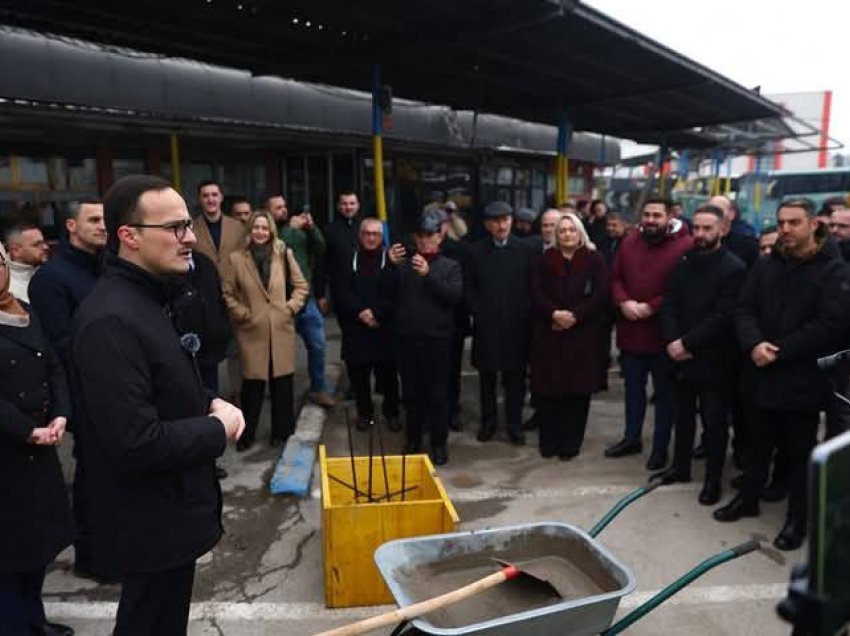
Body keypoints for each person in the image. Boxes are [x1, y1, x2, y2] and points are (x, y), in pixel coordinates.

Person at [70, 175, 246, 634]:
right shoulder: (111, 319)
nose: (189, 237)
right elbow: (135, 441)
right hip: (149, 525)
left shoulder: (150, 299)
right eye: (174, 228)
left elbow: (162, 385)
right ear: (128, 237)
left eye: (188, 224)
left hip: (170, 518)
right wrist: (217, 429)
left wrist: (209, 401)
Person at [714, 198, 850, 551]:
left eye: (794, 223)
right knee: (755, 446)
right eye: (781, 222)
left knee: (798, 454)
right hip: (759, 374)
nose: (785, 230)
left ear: (813, 225)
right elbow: (743, 309)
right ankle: (748, 499)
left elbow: (831, 325)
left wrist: (780, 350)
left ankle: (797, 520)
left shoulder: (833, 270)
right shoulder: (765, 265)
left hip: (801, 380)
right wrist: (754, 344)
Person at [28, 199, 107, 581]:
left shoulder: (104, 267)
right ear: (71, 226)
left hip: (113, 391)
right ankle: (93, 557)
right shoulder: (52, 278)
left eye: (106, 219)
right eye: (94, 220)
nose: (102, 226)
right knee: (94, 481)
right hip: (84, 396)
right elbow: (60, 346)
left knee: (115, 479)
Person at [0, 248, 75, 636]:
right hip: (9, 450)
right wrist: (26, 431)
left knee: (38, 542)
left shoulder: (25, 307)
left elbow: (53, 364)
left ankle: (35, 618)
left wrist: (61, 412)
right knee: (8, 552)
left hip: (40, 446)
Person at [654, 205, 746, 505]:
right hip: (679, 355)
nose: (701, 234)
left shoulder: (734, 268)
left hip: (714, 360)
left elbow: (723, 315)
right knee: (682, 418)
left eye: (708, 228)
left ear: (723, 230)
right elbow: (669, 304)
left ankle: (712, 481)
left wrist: (686, 343)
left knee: (714, 423)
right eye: (697, 228)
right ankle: (680, 468)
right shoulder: (684, 262)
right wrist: (672, 340)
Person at [606, 197, 693, 469]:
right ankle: (631, 438)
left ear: (670, 217)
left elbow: (682, 290)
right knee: (633, 391)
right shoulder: (629, 241)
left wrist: (651, 306)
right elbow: (615, 276)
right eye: (647, 214)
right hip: (631, 331)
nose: (651, 220)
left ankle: (660, 447)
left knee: (665, 397)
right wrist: (623, 301)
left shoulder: (685, 245)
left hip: (663, 335)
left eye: (657, 215)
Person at [223, 209, 309, 451]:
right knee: (252, 387)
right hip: (252, 331)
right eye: (256, 227)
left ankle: (282, 433)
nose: (260, 232)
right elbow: (227, 293)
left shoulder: (283, 254)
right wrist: (242, 314)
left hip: (280, 329)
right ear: (249, 230)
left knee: (282, 386)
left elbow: (301, 285)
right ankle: (247, 435)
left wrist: (290, 308)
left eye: (264, 227)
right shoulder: (236, 258)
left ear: (271, 230)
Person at [530, 212, 609, 460]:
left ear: (580, 233)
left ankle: (570, 443)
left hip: (582, 335)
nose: (567, 234)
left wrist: (574, 316)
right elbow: (536, 292)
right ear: (556, 234)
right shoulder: (545, 259)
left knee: (577, 393)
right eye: (562, 230)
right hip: (550, 333)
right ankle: (549, 441)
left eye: (571, 230)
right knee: (548, 391)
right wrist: (554, 313)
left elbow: (599, 295)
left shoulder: (594, 259)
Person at [388, 210, 462, 465]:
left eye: (429, 236)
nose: (424, 241)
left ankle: (439, 444)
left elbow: (453, 297)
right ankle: (413, 439)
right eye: (420, 236)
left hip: (437, 342)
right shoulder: (403, 266)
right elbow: (387, 292)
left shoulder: (450, 266)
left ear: (439, 238)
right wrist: (389, 264)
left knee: (437, 395)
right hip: (408, 340)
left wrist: (428, 275)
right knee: (411, 394)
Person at [466, 201, 536, 445]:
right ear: (487, 225)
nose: (501, 225)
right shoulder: (475, 251)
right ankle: (488, 423)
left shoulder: (526, 250)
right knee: (487, 379)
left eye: (505, 220)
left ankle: (514, 425)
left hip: (517, 326)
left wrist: (524, 312)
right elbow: (469, 288)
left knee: (515, 380)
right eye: (495, 221)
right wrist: (479, 312)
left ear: (512, 222)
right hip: (487, 326)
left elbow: (532, 286)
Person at [267, 195, 336, 408]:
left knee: (317, 345)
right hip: (278, 302)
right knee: (276, 351)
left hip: (306, 300)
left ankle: (318, 389)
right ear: (269, 211)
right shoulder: (267, 230)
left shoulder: (297, 229)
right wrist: (293, 230)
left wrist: (312, 227)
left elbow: (321, 247)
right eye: (278, 208)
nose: (283, 210)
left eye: (284, 206)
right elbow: (278, 247)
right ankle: (275, 392)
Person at [334, 218, 400, 431]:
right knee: (359, 379)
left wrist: (377, 313)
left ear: (382, 237)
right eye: (367, 233)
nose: (371, 238)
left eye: (376, 234)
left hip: (384, 329)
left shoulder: (391, 261)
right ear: (359, 235)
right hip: (356, 329)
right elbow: (341, 292)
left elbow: (395, 294)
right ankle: (365, 415)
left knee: (389, 379)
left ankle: (392, 413)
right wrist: (360, 312)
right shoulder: (347, 259)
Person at [192, 180, 244, 279]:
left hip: (233, 288)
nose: (210, 199)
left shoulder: (237, 227)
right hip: (204, 286)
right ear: (199, 199)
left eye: (214, 195)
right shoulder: (192, 228)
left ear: (221, 197)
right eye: (205, 196)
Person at [319, 191, 361, 314]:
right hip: (341, 292)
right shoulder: (329, 231)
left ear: (358, 205)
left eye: (352, 203)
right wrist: (320, 294)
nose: (348, 207)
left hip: (367, 291)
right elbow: (321, 264)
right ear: (338, 206)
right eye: (344, 204)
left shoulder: (366, 228)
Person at [3, 224, 49, 302]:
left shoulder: (49, 271)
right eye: (36, 245)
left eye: (44, 242)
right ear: (16, 251)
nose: (45, 247)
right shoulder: (7, 288)